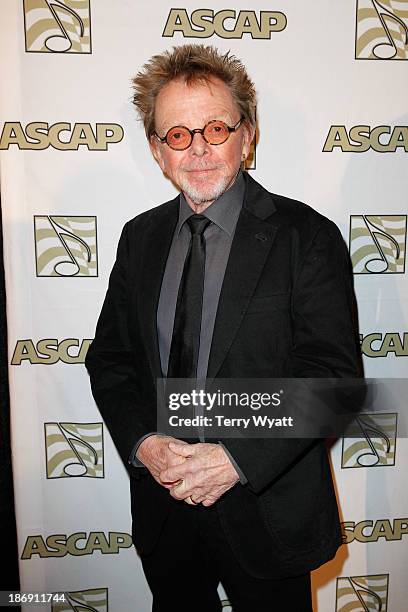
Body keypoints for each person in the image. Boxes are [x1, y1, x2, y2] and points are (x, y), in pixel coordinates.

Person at [85, 44, 360, 612]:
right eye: (179, 135)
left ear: (248, 134)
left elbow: (333, 381)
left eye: (216, 127)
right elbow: (111, 361)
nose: (200, 150)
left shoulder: (306, 237)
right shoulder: (140, 239)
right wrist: (144, 443)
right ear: (158, 152)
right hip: (164, 513)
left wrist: (234, 457)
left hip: (266, 512)